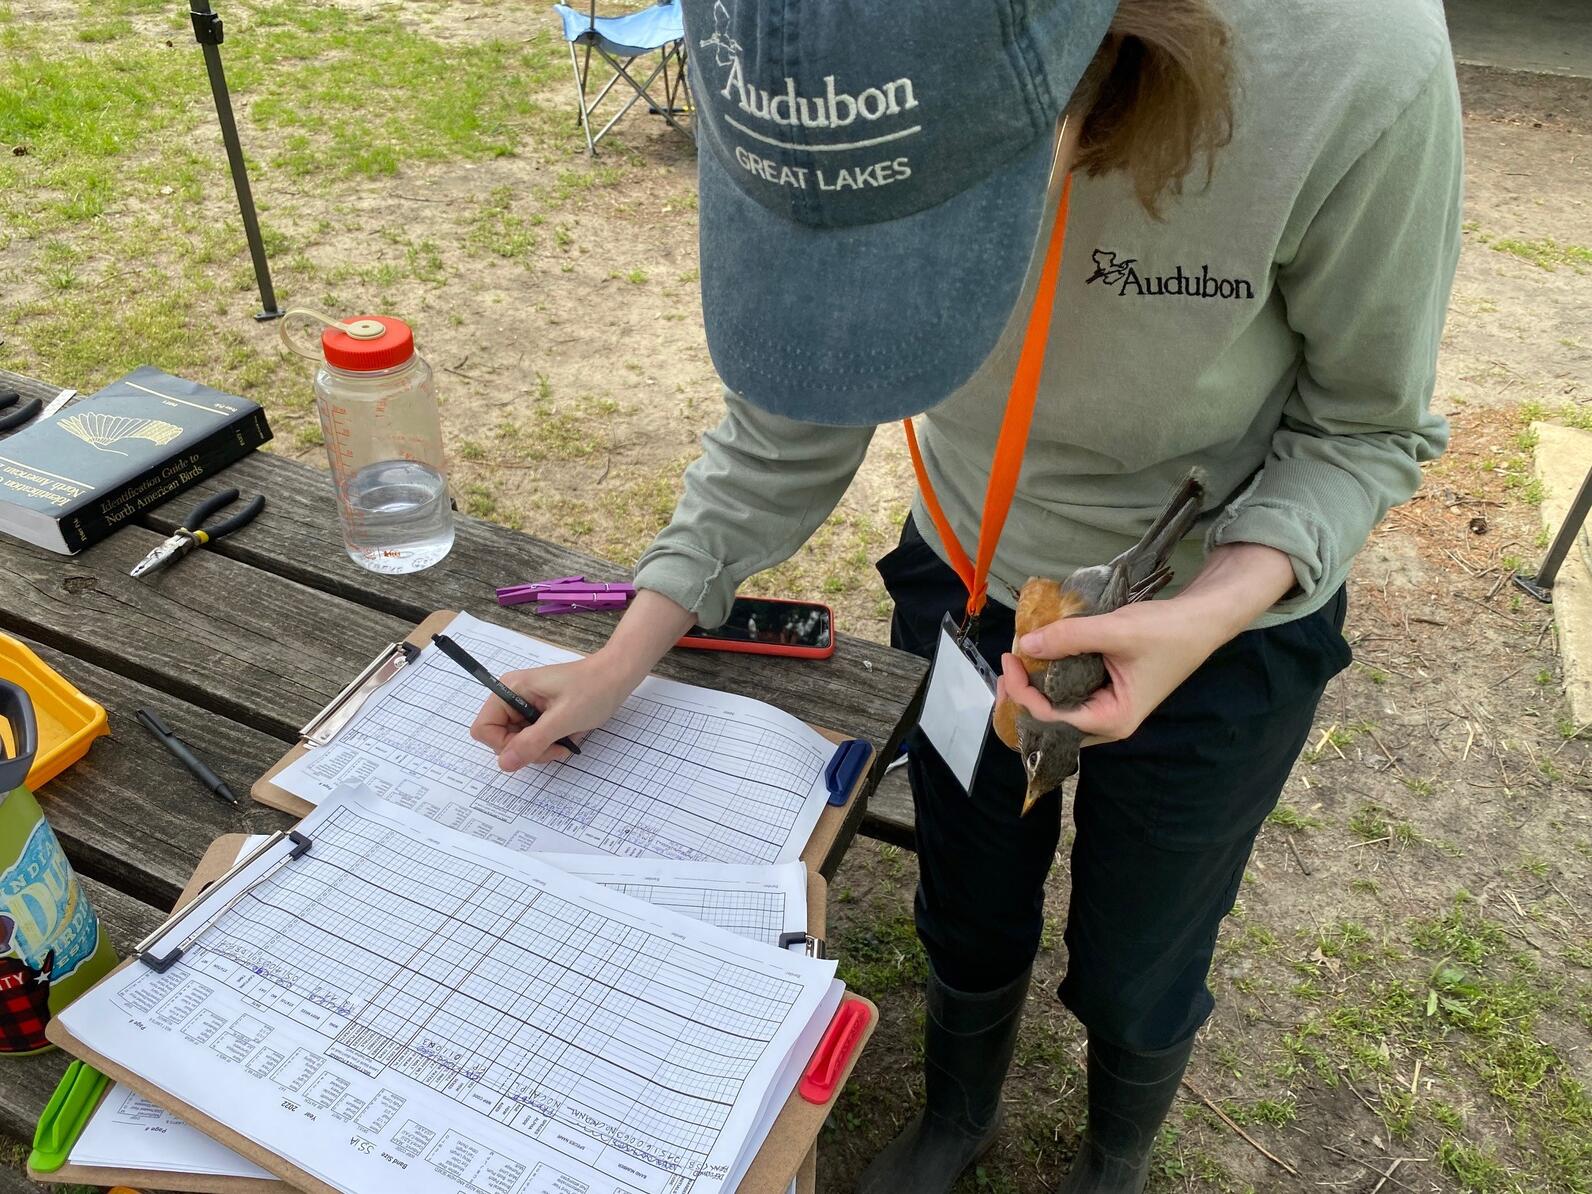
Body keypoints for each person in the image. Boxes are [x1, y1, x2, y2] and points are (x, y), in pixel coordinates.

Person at [471, 0, 1464, 1189]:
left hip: (1215, 618)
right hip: (965, 576)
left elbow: (1361, 428)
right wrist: (623, 652)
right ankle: (959, 1111)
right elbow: (795, 400)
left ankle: (1115, 1153)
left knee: (1145, 943)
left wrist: (1207, 612)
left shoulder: (1352, 51)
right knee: (967, 881)